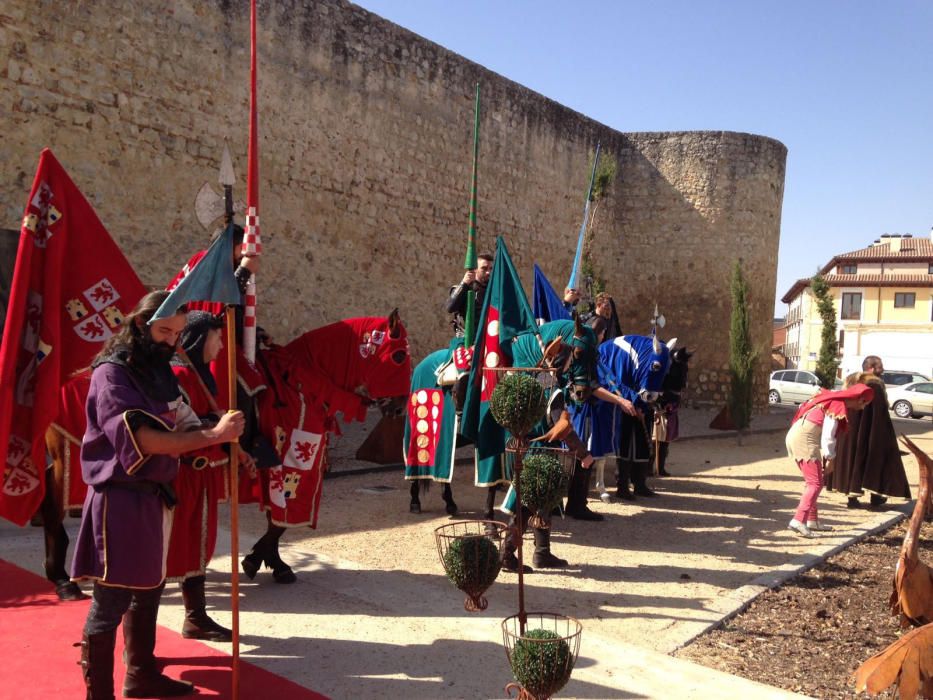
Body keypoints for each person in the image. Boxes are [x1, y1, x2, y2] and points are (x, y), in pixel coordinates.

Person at [71, 290, 245, 699]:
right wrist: (211, 435)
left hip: (154, 496)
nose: (171, 341)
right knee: (112, 598)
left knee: (149, 588)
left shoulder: (158, 372)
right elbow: (146, 440)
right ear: (139, 324)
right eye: (164, 331)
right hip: (120, 498)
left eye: (178, 334)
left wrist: (212, 424)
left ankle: (140, 675)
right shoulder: (112, 375)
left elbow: (179, 422)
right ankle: (98, 695)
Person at [166, 311, 256, 642]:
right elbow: (174, 426)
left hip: (204, 476)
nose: (220, 346)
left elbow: (215, 425)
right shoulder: (176, 375)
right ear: (200, 339)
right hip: (179, 475)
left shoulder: (202, 377)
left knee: (198, 547)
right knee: (168, 548)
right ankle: (139, 632)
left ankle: (196, 617)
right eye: (217, 338)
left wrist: (238, 451)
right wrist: (216, 427)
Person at [784, 382, 873, 537]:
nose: (863, 407)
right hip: (804, 439)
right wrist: (831, 457)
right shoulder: (837, 405)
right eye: (865, 403)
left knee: (814, 481)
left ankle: (812, 520)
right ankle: (798, 521)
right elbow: (828, 436)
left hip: (798, 435)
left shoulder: (831, 399)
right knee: (815, 483)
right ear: (859, 400)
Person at [827, 356, 912, 509]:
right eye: (880, 367)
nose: (883, 369)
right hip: (869, 430)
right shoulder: (874, 385)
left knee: (853, 459)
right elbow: (878, 413)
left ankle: (852, 499)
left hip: (849, 429)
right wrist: (885, 435)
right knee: (874, 458)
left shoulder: (851, 382)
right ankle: (875, 496)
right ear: (871, 368)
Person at [446, 253, 493, 336]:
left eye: (490, 269)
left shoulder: (494, 291)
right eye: (484, 268)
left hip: (489, 337)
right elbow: (450, 307)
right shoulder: (463, 289)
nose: (488, 272)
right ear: (475, 269)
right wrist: (464, 284)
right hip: (465, 339)